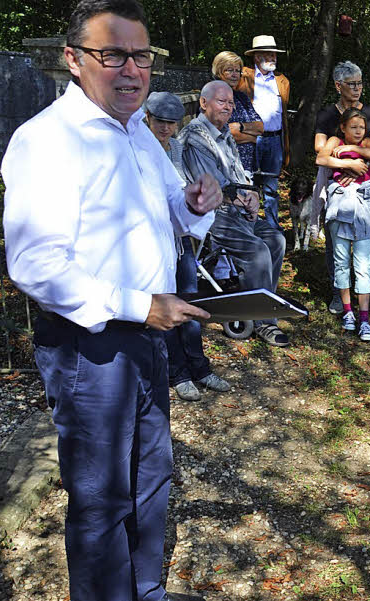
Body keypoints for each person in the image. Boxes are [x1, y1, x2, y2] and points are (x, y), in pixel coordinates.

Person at [2, 2, 223, 599]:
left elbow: (173, 214)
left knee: (152, 474)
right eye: (113, 54)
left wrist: (195, 205)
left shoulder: (139, 135)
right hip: (89, 347)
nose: (132, 70)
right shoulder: (47, 140)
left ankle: (143, 589)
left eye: (142, 55)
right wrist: (138, 305)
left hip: (150, 330)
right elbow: (34, 264)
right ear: (73, 60)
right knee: (101, 497)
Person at [179, 80, 289, 347]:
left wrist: (252, 196)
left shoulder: (224, 134)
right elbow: (212, 185)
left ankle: (261, 305)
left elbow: (239, 174)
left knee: (276, 240)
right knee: (257, 251)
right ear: (204, 103)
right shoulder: (196, 137)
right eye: (221, 101)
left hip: (237, 208)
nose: (228, 107)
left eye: (230, 102)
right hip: (213, 214)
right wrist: (243, 200)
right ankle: (263, 321)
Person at [144, 91, 231, 402]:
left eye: (171, 122)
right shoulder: (141, 146)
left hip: (182, 237)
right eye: (160, 122)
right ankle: (178, 374)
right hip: (157, 240)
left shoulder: (177, 146)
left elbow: (182, 186)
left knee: (190, 303)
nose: (166, 128)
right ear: (148, 119)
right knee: (167, 306)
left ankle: (200, 367)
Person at [314, 60, 370, 314]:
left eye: (360, 83)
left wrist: (358, 164)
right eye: (352, 84)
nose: (357, 89)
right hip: (336, 185)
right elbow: (319, 150)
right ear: (338, 85)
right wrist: (345, 166)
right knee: (335, 241)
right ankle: (338, 293)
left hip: (365, 186)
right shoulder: (327, 115)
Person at [236, 34, 290, 232]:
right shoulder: (244, 78)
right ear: (256, 57)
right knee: (247, 181)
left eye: (274, 54)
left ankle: (272, 229)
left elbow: (283, 115)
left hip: (275, 140)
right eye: (268, 54)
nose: (273, 58)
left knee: (271, 188)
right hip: (250, 140)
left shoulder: (282, 81)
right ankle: (246, 226)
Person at [212, 50, 262, 173]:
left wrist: (240, 126)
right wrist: (252, 138)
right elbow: (222, 134)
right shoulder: (212, 96)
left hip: (247, 167)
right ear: (219, 72)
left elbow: (260, 127)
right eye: (229, 70)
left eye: (237, 71)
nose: (235, 74)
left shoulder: (241, 97)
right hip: (226, 168)